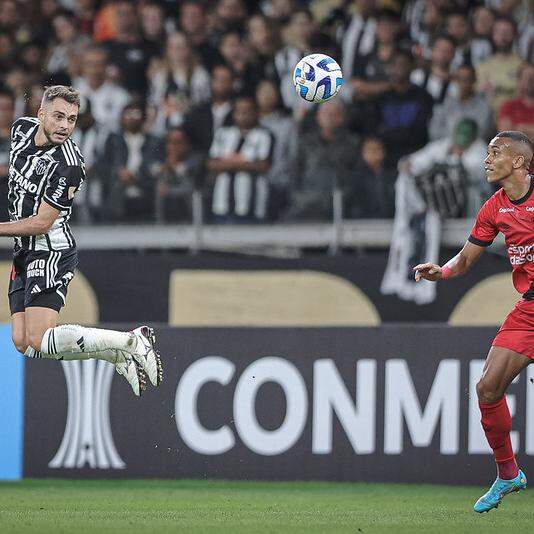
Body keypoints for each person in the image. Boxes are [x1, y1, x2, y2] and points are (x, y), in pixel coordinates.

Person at [5, 85, 162, 397]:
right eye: (59, 116)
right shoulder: (20, 130)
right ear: (40, 115)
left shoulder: (69, 165)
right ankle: (114, 354)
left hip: (49, 251)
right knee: (23, 342)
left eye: (72, 119)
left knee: (38, 337)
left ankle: (131, 341)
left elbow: (41, 223)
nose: (65, 125)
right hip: (23, 251)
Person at [414, 130, 533, 512]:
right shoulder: (494, 208)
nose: (486, 159)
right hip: (529, 311)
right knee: (487, 389)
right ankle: (508, 473)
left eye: (495, 152)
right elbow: (465, 259)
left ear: (518, 162)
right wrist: (441, 272)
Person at [498, 63, 534, 142]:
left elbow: (514, 135)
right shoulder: (508, 106)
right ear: (519, 81)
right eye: (526, 78)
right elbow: (505, 137)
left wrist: (521, 128)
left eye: (532, 78)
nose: (529, 82)